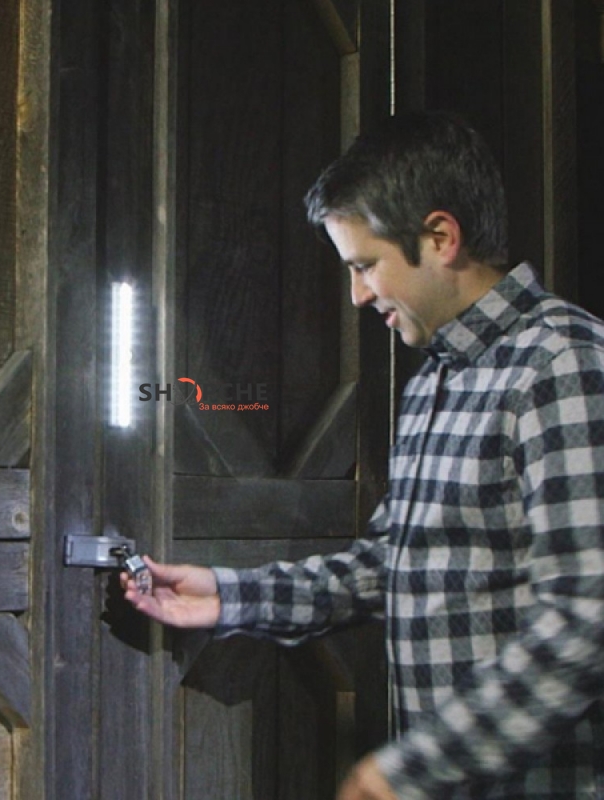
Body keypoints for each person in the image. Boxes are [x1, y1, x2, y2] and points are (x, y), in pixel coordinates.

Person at [122, 111, 604, 800]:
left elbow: (587, 614)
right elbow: (386, 566)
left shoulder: (563, 364)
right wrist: (229, 596)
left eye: (366, 265)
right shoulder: (435, 379)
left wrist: (410, 771)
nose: (357, 295)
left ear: (441, 238)